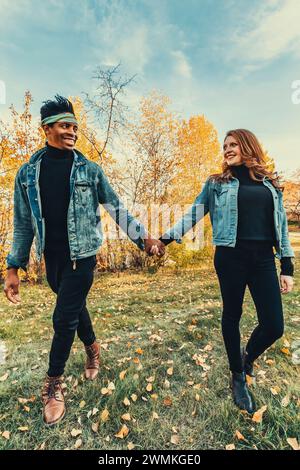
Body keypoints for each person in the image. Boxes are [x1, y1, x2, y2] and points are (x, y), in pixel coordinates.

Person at [4, 95, 165, 426]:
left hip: (84, 258)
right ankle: (93, 348)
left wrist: (143, 238)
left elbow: (116, 206)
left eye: (75, 127)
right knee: (75, 310)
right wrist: (12, 267)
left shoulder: (89, 170)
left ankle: (52, 385)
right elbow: (22, 224)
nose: (72, 132)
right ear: (47, 129)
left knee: (63, 319)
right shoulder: (26, 175)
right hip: (51, 260)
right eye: (65, 126)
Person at [160, 129, 294, 413]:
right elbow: (193, 213)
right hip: (230, 257)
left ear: (248, 146)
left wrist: (287, 266)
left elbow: (280, 226)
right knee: (232, 315)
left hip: (263, 259)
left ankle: (246, 359)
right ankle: (237, 377)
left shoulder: (270, 184)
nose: (227, 149)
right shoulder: (217, 183)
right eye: (225, 146)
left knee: (274, 325)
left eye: (233, 144)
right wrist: (165, 239)